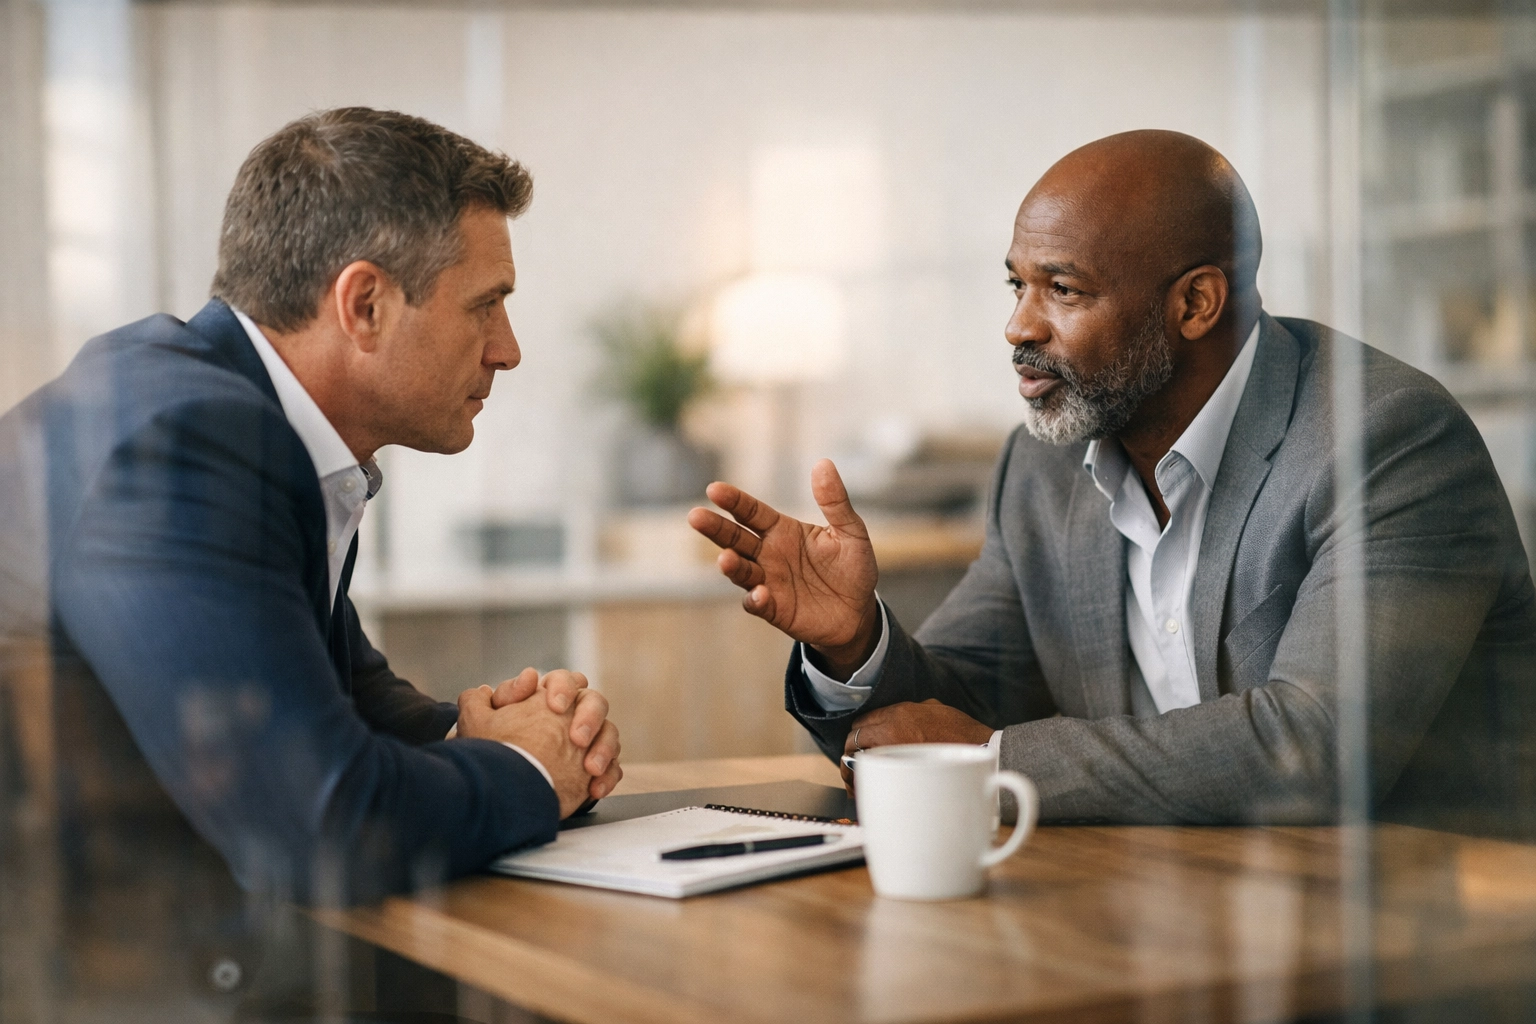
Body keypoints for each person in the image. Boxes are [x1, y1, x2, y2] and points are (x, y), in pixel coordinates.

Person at [689, 129, 1536, 834]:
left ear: (1196, 304)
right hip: (1160, 915)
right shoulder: (1044, 465)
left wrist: (993, 764)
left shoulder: (1386, 439)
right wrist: (854, 642)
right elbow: (961, 700)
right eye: (1017, 284)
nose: (1018, 325)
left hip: (1422, 943)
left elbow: (1317, 746)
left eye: (1063, 289)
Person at [0, 108, 620, 1012]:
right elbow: (322, 822)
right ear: (363, 304)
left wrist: (476, 731)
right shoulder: (186, 440)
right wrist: (531, 771)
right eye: (486, 305)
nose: (508, 350)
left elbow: (338, 696)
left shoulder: (237, 413)